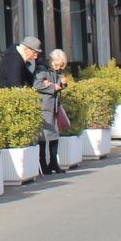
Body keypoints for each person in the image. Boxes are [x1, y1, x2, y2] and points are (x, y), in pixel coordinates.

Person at [35, 47, 69, 175]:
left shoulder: (55, 71)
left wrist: (63, 84)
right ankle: (43, 164)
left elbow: (58, 85)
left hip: (53, 106)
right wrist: (52, 87)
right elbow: (37, 85)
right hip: (45, 106)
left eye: (61, 66)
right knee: (43, 137)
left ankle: (53, 162)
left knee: (55, 135)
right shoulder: (42, 69)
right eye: (57, 65)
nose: (58, 68)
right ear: (52, 61)